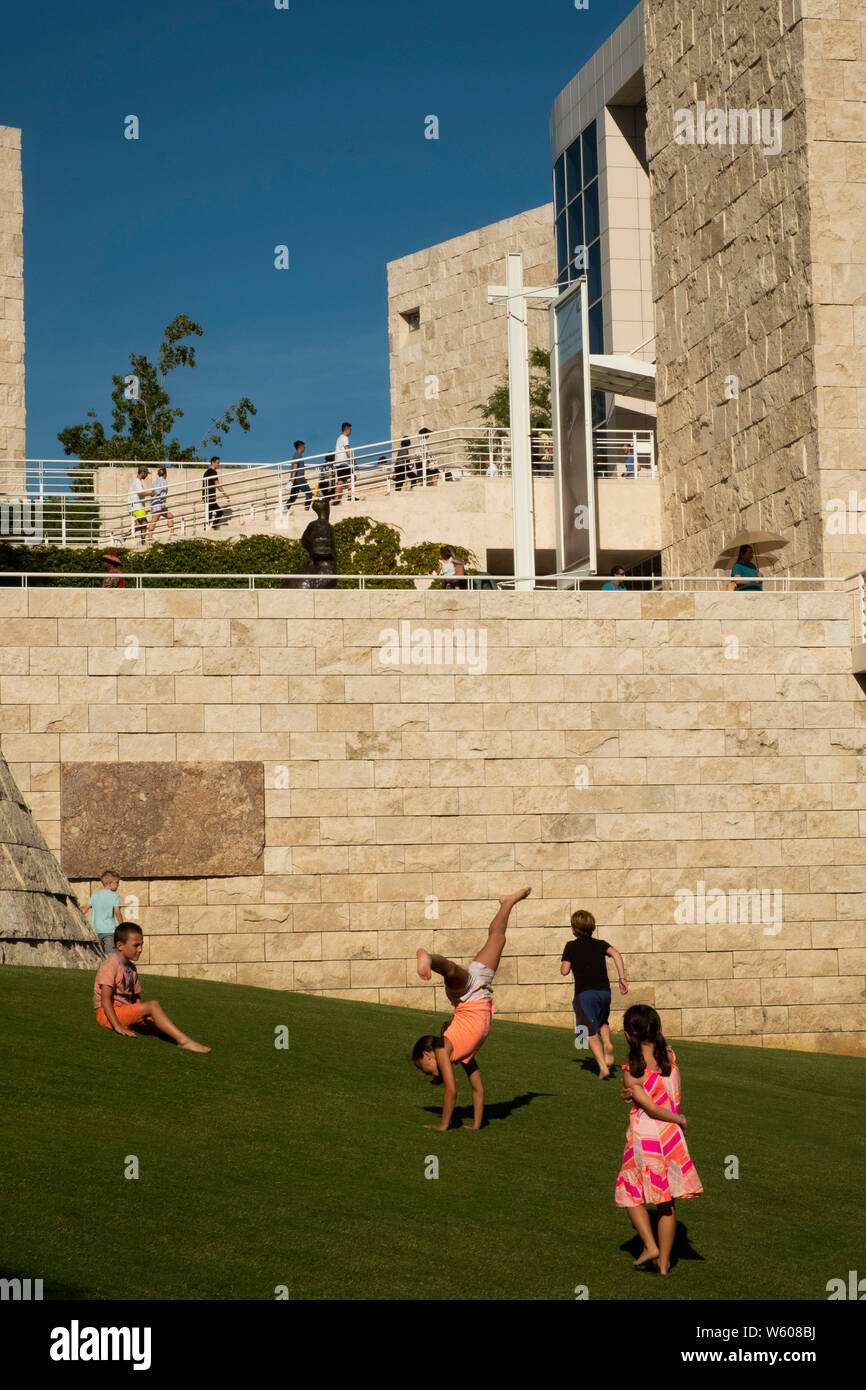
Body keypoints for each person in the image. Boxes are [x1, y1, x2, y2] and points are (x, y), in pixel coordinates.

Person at [411, 888, 531, 1130]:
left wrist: (443, 1126)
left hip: (466, 997)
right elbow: (478, 1089)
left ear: (427, 1055)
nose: (428, 1073)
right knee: (498, 937)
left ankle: (428, 958)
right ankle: (507, 903)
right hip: (482, 988)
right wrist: (476, 1125)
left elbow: (452, 1092)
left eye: (424, 1069)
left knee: (452, 971)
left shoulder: (442, 1049)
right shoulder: (463, 1056)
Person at [615, 1004, 702, 1274]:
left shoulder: (631, 1071)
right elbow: (666, 1092)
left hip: (646, 1136)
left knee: (628, 1191)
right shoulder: (671, 1057)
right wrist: (677, 1121)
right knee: (666, 1200)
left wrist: (680, 1118)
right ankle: (664, 1264)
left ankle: (650, 1245)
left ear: (629, 1036)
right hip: (672, 1139)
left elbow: (650, 1108)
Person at [94, 922, 210, 1052]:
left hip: (124, 1010)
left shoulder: (132, 968)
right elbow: (105, 999)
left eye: (141, 944)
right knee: (153, 1006)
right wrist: (117, 1026)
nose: (140, 949)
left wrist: (141, 1014)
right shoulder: (109, 965)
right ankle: (184, 1041)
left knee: (153, 1021)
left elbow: (136, 997)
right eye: (136, 945)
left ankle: (175, 1036)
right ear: (120, 945)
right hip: (108, 1014)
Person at [560, 908, 628, 1079]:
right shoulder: (601, 944)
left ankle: (602, 1067)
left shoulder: (571, 946)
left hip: (585, 993)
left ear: (573, 929)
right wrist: (622, 978)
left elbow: (564, 970)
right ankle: (608, 1045)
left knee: (588, 1031)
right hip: (604, 992)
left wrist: (566, 963)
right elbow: (616, 954)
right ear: (593, 928)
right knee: (602, 1021)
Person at [86, 870, 124, 956]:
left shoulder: (95, 895)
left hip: (95, 930)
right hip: (109, 931)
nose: (118, 885)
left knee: (98, 956)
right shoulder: (115, 896)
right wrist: (122, 926)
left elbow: (85, 908)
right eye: (117, 882)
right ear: (110, 883)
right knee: (111, 955)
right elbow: (117, 912)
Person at [284, 440, 313, 513]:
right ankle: (306, 508)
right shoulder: (297, 455)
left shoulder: (296, 455)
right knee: (309, 493)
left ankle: (284, 510)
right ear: (300, 447)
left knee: (293, 498)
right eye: (304, 446)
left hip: (297, 479)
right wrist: (292, 479)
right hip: (299, 479)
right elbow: (295, 467)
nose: (305, 448)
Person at [146, 467, 175, 541]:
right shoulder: (163, 481)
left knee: (170, 516)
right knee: (154, 520)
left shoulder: (155, 482)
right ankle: (149, 537)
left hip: (154, 503)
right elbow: (162, 493)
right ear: (165, 474)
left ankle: (172, 533)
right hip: (159, 503)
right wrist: (163, 502)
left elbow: (153, 492)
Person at [202, 456, 230, 528]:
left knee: (210, 514)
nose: (219, 464)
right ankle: (211, 528)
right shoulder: (212, 472)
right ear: (212, 462)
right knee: (218, 512)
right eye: (217, 463)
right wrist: (225, 494)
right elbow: (217, 484)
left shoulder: (207, 472)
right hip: (210, 496)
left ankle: (208, 528)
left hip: (207, 496)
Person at [127, 468, 152, 545]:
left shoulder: (136, 481)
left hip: (133, 506)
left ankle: (124, 537)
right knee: (144, 523)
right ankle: (142, 541)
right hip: (136, 506)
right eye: (146, 473)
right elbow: (140, 493)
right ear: (142, 472)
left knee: (141, 524)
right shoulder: (137, 481)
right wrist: (151, 493)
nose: (147, 475)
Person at [333, 422, 353, 506]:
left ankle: (336, 499)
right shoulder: (344, 437)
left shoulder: (339, 438)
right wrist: (352, 459)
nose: (350, 432)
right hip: (343, 462)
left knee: (341, 480)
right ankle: (349, 495)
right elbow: (347, 448)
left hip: (338, 462)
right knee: (351, 477)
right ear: (347, 429)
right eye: (350, 430)